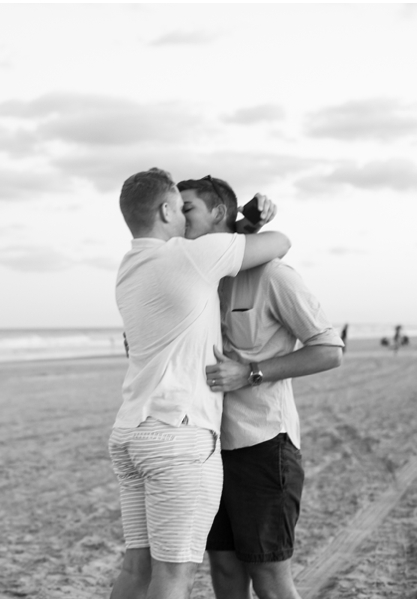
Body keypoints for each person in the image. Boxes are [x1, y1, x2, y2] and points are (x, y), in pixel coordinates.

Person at [108, 168, 291, 599]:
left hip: (130, 434)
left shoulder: (129, 266)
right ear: (166, 209)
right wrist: (249, 224)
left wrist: (235, 229)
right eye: (182, 207)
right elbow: (280, 242)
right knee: (174, 577)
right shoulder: (190, 258)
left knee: (137, 570)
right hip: (178, 437)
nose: (186, 220)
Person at [178, 176, 344, 599]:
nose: (177, 220)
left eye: (187, 209)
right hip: (210, 448)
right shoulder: (198, 279)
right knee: (226, 573)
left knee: (270, 578)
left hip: (265, 446)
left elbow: (328, 350)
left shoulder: (274, 275)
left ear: (218, 213)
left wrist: (251, 372)